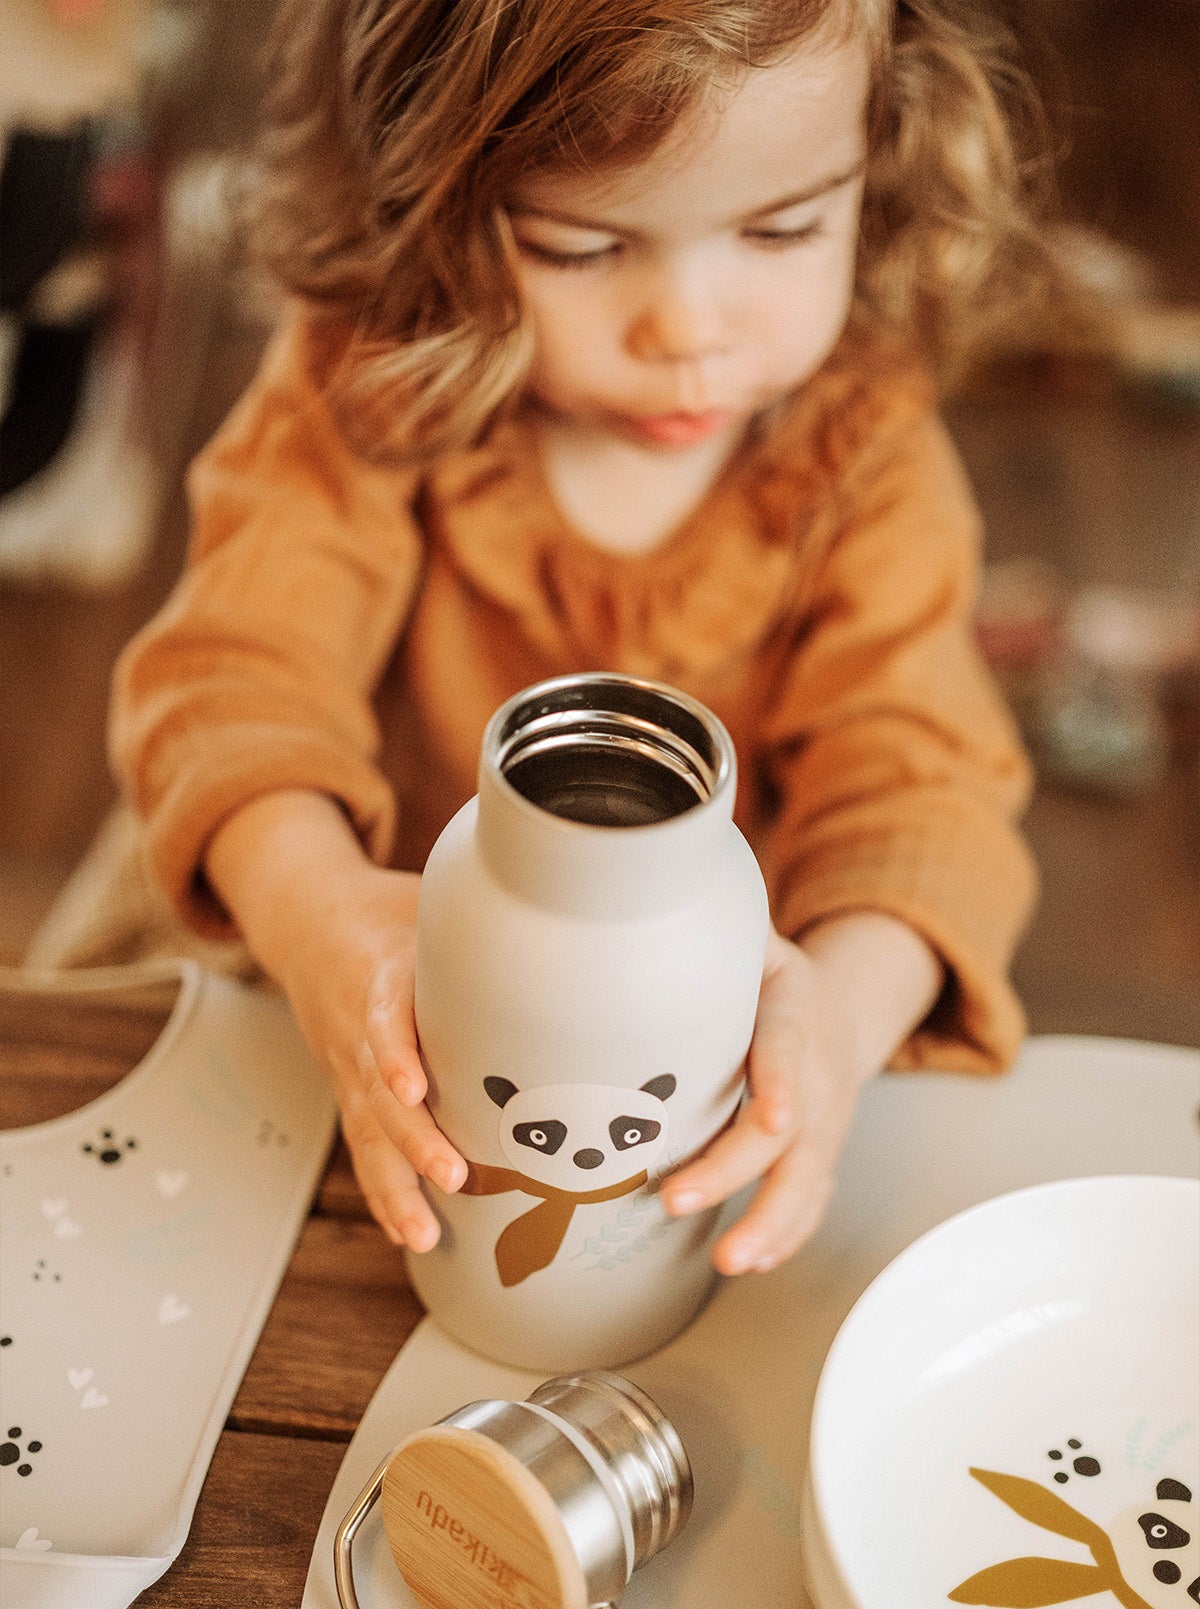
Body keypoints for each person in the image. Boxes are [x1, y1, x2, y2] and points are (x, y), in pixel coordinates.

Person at [50, 0, 1070, 1275]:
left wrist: (841, 1016)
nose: (688, 329)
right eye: (582, 248)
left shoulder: (859, 459)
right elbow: (236, 678)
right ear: (416, 189)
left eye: (784, 228)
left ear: (889, 150)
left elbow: (922, 796)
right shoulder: (373, 379)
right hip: (335, 953)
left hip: (652, 1060)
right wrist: (318, 917)